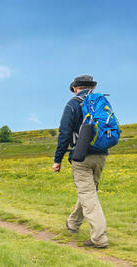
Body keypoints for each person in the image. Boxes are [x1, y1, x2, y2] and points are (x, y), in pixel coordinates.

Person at [52, 74, 109, 248]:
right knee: (89, 192)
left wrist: (58, 159)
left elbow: (64, 134)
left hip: (80, 156)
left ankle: (99, 238)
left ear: (75, 88)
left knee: (87, 194)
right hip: (101, 154)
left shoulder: (73, 104)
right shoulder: (101, 103)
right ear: (92, 88)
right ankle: (73, 224)